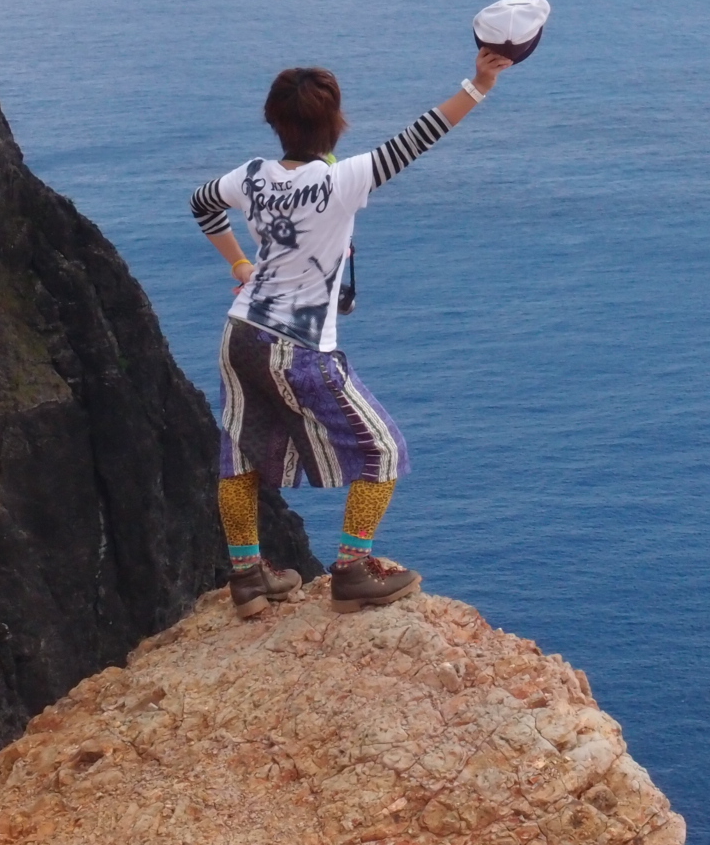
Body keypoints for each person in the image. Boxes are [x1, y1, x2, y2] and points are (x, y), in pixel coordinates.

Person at [190, 47, 515, 616]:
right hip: (296, 346)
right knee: (383, 452)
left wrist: (240, 264)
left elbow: (202, 204)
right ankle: (352, 569)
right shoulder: (344, 180)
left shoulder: (251, 175)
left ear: (273, 121)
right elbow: (421, 135)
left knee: (240, 454)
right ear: (336, 123)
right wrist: (480, 83)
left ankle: (247, 578)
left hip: (239, 333)